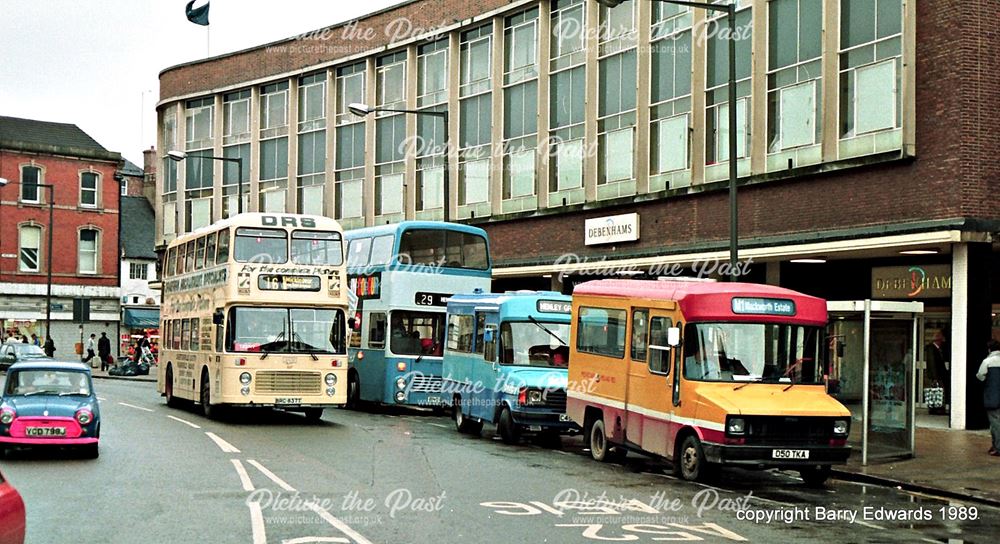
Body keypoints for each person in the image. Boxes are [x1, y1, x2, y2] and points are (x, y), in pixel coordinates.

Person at [976, 339, 1000, 457]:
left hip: (993, 396)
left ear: (989, 349)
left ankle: (997, 447)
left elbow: (980, 375)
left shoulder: (987, 361)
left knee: (995, 423)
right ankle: (995, 445)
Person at [926, 329, 950, 414]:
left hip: (939, 375)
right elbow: (932, 363)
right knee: (936, 392)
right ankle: (935, 409)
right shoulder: (931, 348)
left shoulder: (939, 349)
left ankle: (938, 408)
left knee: (938, 392)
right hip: (936, 376)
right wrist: (934, 377)